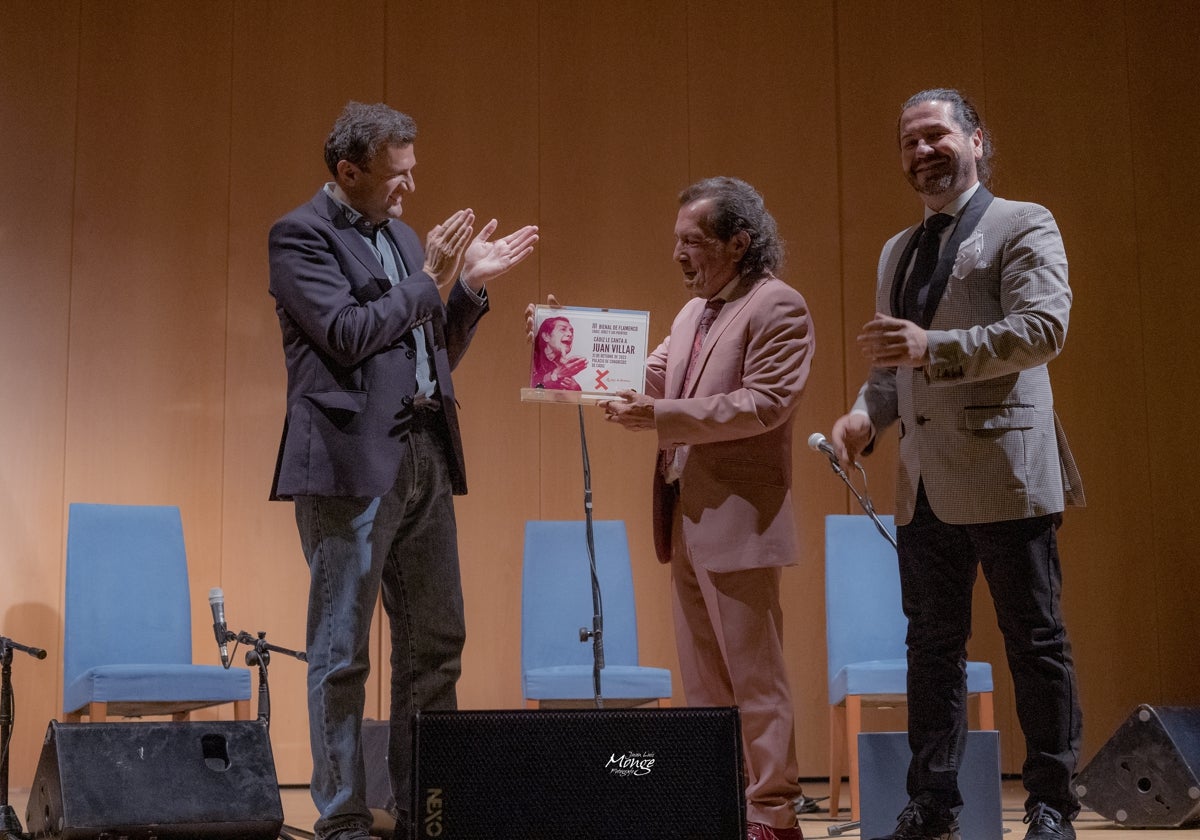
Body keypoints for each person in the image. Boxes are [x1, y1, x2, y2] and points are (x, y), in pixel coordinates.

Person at [268, 100, 537, 840]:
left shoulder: (404, 240)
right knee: (341, 648)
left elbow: (428, 351)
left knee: (436, 643)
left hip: (425, 450)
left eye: (412, 173)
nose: (409, 190)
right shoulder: (301, 237)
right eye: (396, 176)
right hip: (351, 465)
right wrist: (427, 278)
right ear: (348, 171)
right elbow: (350, 335)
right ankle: (343, 816)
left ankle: (430, 810)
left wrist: (468, 290)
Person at [830, 88, 1084, 840]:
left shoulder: (1023, 222)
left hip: (1006, 469)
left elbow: (1043, 329)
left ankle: (1051, 805)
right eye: (908, 142)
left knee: (1033, 642)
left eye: (935, 134)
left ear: (977, 139)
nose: (920, 152)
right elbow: (890, 366)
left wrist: (931, 350)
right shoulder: (896, 251)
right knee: (931, 650)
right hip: (924, 484)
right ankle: (933, 802)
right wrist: (862, 416)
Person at [602, 176, 814, 840]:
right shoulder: (694, 312)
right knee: (704, 680)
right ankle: (723, 803)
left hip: (741, 522)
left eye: (691, 242)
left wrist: (660, 416)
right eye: (676, 241)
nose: (677, 255)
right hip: (686, 516)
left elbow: (763, 404)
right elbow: (650, 372)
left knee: (755, 679)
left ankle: (774, 815)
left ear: (738, 242)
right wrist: (570, 341)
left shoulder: (779, 307)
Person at [531, 314, 585, 390]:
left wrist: (575, 388)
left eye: (571, 331)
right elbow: (533, 387)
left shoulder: (559, 365)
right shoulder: (532, 358)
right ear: (546, 336)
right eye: (563, 329)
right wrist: (556, 374)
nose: (570, 334)